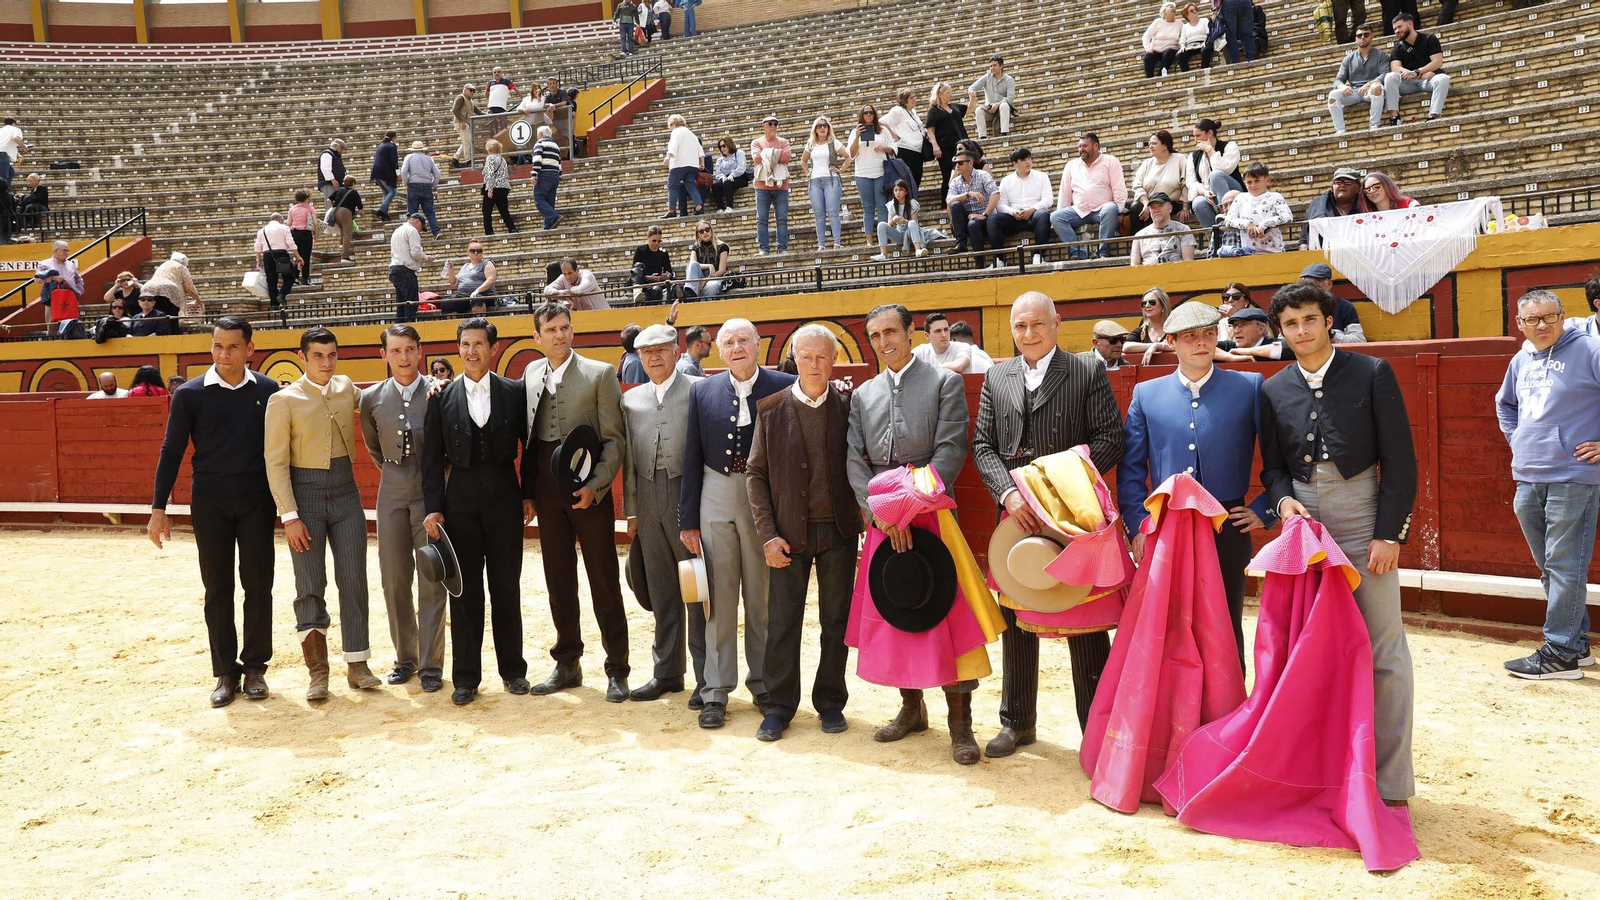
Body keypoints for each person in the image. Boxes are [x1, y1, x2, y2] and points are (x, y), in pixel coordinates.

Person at [1259, 281, 1418, 804]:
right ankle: (1322, 769)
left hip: (1360, 512)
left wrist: (1388, 533)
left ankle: (1391, 781)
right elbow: (1275, 469)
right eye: (1290, 324)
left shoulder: (1372, 372)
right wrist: (1283, 503)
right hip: (1305, 523)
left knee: (1383, 648)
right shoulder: (1273, 388)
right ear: (1280, 331)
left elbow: (1401, 461)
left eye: (1309, 319)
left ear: (1329, 321)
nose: (1301, 331)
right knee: (1308, 648)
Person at [972, 292, 1125, 756]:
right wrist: (1010, 492)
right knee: (1018, 612)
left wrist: (1060, 489)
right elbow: (983, 445)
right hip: (1017, 513)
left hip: (1070, 515)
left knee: (1083, 617)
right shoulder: (997, 376)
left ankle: (1093, 729)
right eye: (1020, 327)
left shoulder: (1085, 369)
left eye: (1037, 324)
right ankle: (1016, 722)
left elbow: (1110, 437)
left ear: (1057, 323)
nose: (1028, 334)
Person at [845, 303, 976, 760]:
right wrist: (882, 514)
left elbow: (950, 450)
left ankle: (961, 726)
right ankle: (912, 710)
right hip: (884, 518)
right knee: (898, 607)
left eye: (891, 332)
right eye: (875, 334)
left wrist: (908, 508)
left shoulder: (944, 381)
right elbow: (855, 460)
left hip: (932, 513)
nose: (884, 342)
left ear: (909, 332)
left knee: (948, 618)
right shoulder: (863, 395)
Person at [1120, 301, 1275, 670]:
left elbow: (1277, 457)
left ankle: (1229, 714)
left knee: (1226, 620)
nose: (1201, 342)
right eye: (1190, 336)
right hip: (1167, 527)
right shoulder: (1147, 394)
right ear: (1171, 341)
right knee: (1170, 623)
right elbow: (1130, 470)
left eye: (1208, 334)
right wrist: (1139, 526)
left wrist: (1263, 508)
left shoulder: (1249, 386)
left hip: (1226, 524)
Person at [148, 316, 280, 707]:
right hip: (210, 502)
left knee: (258, 585)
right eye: (218, 346)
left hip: (257, 500)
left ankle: (255, 667)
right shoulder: (190, 394)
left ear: (249, 350)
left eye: (233, 346)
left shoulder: (269, 391)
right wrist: (158, 507)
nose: (224, 354)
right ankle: (225, 672)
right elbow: (171, 450)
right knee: (217, 587)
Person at [679, 319, 798, 726]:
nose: (736, 347)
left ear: (759, 344)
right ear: (718, 351)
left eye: (743, 340)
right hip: (715, 491)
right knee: (719, 597)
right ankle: (715, 688)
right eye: (727, 342)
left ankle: (762, 681)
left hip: (764, 496)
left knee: (762, 597)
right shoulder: (702, 390)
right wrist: (688, 519)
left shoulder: (785, 383)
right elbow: (691, 455)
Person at [744, 324, 860, 741]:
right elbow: (755, 475)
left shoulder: (849, 406)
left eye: (822, 357)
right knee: (783, 620)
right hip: (789, 534)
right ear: (795, 358)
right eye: (807, 356)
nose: (814, 364)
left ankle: (830, 702)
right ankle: (777, 706)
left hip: (839, 531)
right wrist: (768, 534)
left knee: (836, 619)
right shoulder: (771, 408)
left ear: (833, 361)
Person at [519, 303, 632, 701]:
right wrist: (529, 493)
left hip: (588, 487)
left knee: (603, 577)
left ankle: (617, 668)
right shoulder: (531, 374)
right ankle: (567, 662)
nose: (560, 335)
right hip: (549, 491)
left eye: (565, 327)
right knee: (558, 578)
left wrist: (596, 487)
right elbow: (531, 442)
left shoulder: (599, 373)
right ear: (538, 336)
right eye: (551, 329)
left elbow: (614, 440)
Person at [263, 327, 379, 700]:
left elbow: (379, 400)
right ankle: (318, 671)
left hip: (346, 494)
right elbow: (276, 462)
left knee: (354, 579)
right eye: (318, 356)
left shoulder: (346, 387)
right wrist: (290, 515)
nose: (326, 362)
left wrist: (428, 384)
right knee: (309, 585)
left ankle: (358, 664)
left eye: (331, 355)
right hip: (306, 498)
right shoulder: (284, 399)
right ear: (302, 357)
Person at [421, 317, 533, 706]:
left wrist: (528, 494)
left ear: (493, 348)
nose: (472, 351)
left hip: (505, 496)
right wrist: (434, 508)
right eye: (465, 344)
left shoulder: (513, 392)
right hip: (461, 502)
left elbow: (529, 447)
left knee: (506, 587)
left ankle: (513, 671)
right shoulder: (441, 397)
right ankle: (466, 678)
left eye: (479, 344)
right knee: (464, 592)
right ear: (458, 349)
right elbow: (432, 460)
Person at [1496, 290, 1600, 680]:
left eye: (1549, 317)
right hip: (1528, 473)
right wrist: (1517, 438)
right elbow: (1504, 404)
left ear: (1563, 316)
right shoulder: (1521, 358)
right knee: (1550, 568)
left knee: (1564, 566)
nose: (1542, 325)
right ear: (1520, 324)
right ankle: (1575, 645)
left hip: (1573, 475)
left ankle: (1559, 654)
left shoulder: (1589, 350)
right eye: (1532, 319)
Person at [623, 322, 708, 705]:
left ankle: (707, 678)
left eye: (661, 349)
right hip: (647, 496)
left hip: (684, 496)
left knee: (696, 588)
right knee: (661, 588)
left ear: (676, 350)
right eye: (647, 352)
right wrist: (632, 510)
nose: (654, 357)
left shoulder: (698, 390)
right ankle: (668, 672)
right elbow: (627, 458)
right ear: (639, 357)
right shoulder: (632, 399)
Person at [358, 324, 446, 690]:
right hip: (391, 488)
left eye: (410, 349)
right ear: (385, 355)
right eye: (396, 350)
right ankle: (405, 658)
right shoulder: (371, 397)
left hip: (429, 490)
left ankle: (430, 665)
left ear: (420, 351)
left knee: (431, 577)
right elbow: (373, 447)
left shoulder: (439, 391)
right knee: (393, 579)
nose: (404, 357)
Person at [1051, 132, 1127, 259]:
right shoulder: (1071, 165)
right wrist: (1062, 209)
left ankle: (1103, 252)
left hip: (1102, 209)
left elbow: (1119, 188)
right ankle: (1077, 253)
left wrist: (1120, 212)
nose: (1081, 150)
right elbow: (1065, 193)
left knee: (1111, 208)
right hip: (1079, 210)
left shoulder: (1111, 161)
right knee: (1056, 217)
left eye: (1085, 146)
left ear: (1096, 146)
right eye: (1079, 147)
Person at [989, 147, 1054, 264]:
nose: (1028, 162)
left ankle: (1038, 255)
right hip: (1014, 218)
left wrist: (1032, 209)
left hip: (1034, 215)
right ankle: (999, 259)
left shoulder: (1042, 176)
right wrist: (1012, 212)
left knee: (1044, 214)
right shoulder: (1006, 180)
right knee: (993, 219)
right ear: (1015, 163)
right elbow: (1000, 205)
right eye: (1024, 159)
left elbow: (1048, 200)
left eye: (1029, 158)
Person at [1383, 14, 1449, 127]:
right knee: (1390, 77)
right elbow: (1395, 68)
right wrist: (1417, 75)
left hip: (1427, 81)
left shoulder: (1430, 39)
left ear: (1410, 24)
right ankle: (1395, 116)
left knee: (1443, 79)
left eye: (1399, 27)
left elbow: (1437, 62)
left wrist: (1417, 71)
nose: (1397, 31)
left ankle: (1433, 115)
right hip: (1409, 83)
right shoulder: (1397, 48)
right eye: (1395, 29)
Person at [1218, 162, 1292, 256]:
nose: (1253, 185)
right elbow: (1228, 220)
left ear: (1268, 180)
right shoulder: (1240, 198)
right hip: (1248, 253)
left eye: (1257, 181)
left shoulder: (1276, 197)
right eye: (1249, 182)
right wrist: (1247, 224)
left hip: (1274, 252)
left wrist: (1264, 225)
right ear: (1244, 183)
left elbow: (1287, 216)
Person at [1327, 26, 1389, 134]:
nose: (1362, 38)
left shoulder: (1381, 55)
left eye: (1366, 35)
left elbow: (1384, 75)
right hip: (1354, 92)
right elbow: (1337, 80)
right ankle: (1340, 130)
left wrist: (1369, 85)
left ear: (1372, 37)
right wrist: (1343, 87)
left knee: (1377, 87)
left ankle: (1374, 126)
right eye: (1359, 35)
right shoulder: (1348, 59)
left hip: (1372, 91)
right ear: (1356, 39)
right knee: (1333, 95)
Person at [801, 116, 848, 251]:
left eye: (825, 125)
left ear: (829, 128)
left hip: (831, 179)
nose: (823, 128)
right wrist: (807, 173)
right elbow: (803, 160)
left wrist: (841, 169)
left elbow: (849, 155)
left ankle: (837, 242)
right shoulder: (811, 143)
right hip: (815, 180)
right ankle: (821, 244)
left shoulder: (833, 142)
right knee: (819, 214)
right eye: (820, 125)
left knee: (833, 212)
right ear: (815, 129)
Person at [1126, 130, 1192, 225]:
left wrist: (1185, 207)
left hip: (1171, 203)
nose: (1150, 146)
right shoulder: (1147, 163)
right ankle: (1139, 239)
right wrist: (1146, 204)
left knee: (1157, 208)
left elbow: (1186, 184)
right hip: (1149, 201)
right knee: (1136, 207)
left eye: (1154, 144)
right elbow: (1137, 186)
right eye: (1149, 144)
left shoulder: (1179, 159)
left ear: (1164, 146)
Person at [1186, 118, 1242, 229]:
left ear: (1210, 133)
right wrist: (1205, 192)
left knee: (1215, 175)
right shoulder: (1193, 156)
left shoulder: (1230, 146)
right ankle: (1215, 239)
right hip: (1209, 195)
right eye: (1194, 136)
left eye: (1198, 136)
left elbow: (1225, 169)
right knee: (1198, 202)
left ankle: (1226, 214)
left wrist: (1210, 149)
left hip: (1233, 191)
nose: (1195, 139)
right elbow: (1191, 182)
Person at [945, 153, 1000, 264]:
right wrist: (968, 194)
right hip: (968, 219)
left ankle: (980, 262)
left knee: (973, 225)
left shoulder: (982, 175)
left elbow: (996, 194)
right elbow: (949, 200)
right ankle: (961, 243)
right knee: (955, 205)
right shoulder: (955, 181)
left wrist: (984, 214)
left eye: (960, 163)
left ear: (970, 163)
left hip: (987, 218)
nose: (957, 166)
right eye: (955, 163)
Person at [751, 115, 793, 255]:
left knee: (782, 218)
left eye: (776, 123)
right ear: (763, 126)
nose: (773, 126)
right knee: (761, 219)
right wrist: (776, 154)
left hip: (781, 186)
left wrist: (766, 155)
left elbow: (786, 157)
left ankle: (782, 248)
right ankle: (764, 248)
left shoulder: (784, 141)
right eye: (770, 123)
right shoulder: (756, 142)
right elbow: (756, 158)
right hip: (762, 186)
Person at [1302, 167, 1373, 243]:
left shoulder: (1366, 204)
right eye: (1338, 182)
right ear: (1333, 187)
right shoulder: (1319, 204)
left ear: (1358, 188)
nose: (1342, 185)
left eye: (1347, 182)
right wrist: (1303, 243)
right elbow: (1306, 229)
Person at [1300, 262, 1367, 342]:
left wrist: (1331, 334)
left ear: (1329, 283)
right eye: (1306, 282)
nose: (1310, 286)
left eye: (1317, 281)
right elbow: (1284, 339)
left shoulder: (1344, 306)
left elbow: (1359, 340)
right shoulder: (1296, 306)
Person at [923, 83, 968, 203]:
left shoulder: (954, 106)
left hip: (961, 144)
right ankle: (946, 202)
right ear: (940, 95)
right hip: (945, 146)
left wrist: (973, 98)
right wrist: (935, 146)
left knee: (962, 172)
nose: (950, 95)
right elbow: (930, 130)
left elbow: (969, 110)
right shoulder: (934, 110)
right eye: (947, 93)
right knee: (948, 173)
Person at [1128, 191, 1196, 265]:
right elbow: (1134, 267)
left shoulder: (1183, 230)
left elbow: (1188, 263)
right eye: (1153, 207)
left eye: (1160, 206)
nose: (1156, 210)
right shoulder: (1139, 236)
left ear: (1170, 208)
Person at [253, 212, 302, 311]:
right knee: (289, 277)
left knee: (271, 280)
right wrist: (298, 257)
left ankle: (274, 305)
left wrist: (258, 260)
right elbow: (290, 243)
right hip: (282, 254)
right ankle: (282, 294)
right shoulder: (284, 228)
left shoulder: (262, 230)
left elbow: (257, 247)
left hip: (267, 255)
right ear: (280, 219)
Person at [390, 212, 433, 323]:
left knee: (401, 304)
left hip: (395, 269)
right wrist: (426, 258)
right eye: (421, 228)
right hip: (406, 271)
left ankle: (399, 328)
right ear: (417, 221)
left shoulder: (397, 230)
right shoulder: (412, 231)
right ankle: (408, 328)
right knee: (411, 304)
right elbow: (416, 253)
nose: (420, 231)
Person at [34, 239, 84, 332]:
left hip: (70, 298)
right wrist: (52, 278)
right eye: (64, 250)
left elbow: (79, 280)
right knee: (53, 325)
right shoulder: (45, 263)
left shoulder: (71, 265)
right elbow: (37, 279)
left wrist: (78, 292)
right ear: (56, 251)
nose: (67, 253)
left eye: (67, 250)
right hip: (53, 299)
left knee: (71, 324)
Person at [881, 88, 927, 189]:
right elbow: (881, 122)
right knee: (907, 182)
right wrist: (894, 136)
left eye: (914, 97)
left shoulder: (913, 112)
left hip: (917, 152)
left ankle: (913, 203)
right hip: (905, 150)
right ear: (904, 100)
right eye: (911, 98)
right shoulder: (898, 111)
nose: (914, 99)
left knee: (916, 180)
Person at [873, 179, 929, 260]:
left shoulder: (912, 203)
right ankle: (883, 254)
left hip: (911, 232)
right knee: (881, 225)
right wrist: (894, 220)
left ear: (906, 192)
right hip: (899, 234)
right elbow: (889, 224)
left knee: (912, 223)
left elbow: (915, 223)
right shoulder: (892, 204)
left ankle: (918, 250)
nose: (898, 192)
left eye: (900, 190)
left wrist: (904, 221)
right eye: (895, 190)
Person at [663, 114, 705, 219]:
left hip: (678, 164)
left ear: (673, 123)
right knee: (691, 185)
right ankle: (699, 206)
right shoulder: (692, 134)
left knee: (672, 185)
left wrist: (668, 157)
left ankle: (671, 210)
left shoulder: (676, 132)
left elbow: (673, 145)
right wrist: (702, 163)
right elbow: (700, 150)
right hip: (692, 165)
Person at [967, 56, 1017, 139]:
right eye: (990, 66)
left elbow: (1010, 98)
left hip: (1003, 109)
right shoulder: (987, 77)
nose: (992, 68)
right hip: (989, 109)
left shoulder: (1009, 80)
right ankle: (982, 137)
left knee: (1004, 105)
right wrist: (972, 92)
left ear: (1001, 66)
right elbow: (972, 87)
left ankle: (1004, 133)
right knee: (978, 110)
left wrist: (997, 104)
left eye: (994, 65)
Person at [1215, 305, 1288, 360]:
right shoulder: (1229, 348)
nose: (1236, 331)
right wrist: (1230, 357)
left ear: (1260, 329)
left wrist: (1246, 351)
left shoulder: (1272, 345)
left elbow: (1291, 348)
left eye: (1243, 325)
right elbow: (1206, 347)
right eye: (1234, 326)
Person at [402, 141, 442, 238]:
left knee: (412, 213)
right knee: (430, 212)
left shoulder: (409, 157)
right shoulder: (429, 158)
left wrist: (405, 182)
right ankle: (436, 232)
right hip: (427, 186)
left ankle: (413, 235)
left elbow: (403, 171)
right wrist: (433, 185)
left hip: (413, 185)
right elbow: (437, 174)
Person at [445, 240, 498, 313]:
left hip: (482, 296)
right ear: (468, 252)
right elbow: (453, 283)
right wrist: (451, 269)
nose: (476, 253)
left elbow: (491, 280)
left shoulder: (487, 263)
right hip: (464, 297)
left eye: (478, 251)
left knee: (476, 299)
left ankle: (478, 322)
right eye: (473, 251)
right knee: (447, 302)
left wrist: (477, 291)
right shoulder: (465, 266)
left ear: (482, 252)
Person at [1123, 287, 1173, 360]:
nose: (1147, 306)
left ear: (1163, 306)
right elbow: (1126, 347)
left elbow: (1174, 345)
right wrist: (1154, 345)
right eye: (1144, 303)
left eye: (1152, 302)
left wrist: (1157, 346)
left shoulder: (1173, 329)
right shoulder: (1141, 331)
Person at [684, 220, 730, 299]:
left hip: (716, 277)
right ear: (698, 234)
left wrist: (706, 280)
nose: (705, 232)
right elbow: (693, 264)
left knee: (711, 286)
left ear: (711, 231)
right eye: (701, 231)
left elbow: (722, 270)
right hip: (699, 276)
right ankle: (690, 295)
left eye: (707, 230)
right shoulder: (696, 246)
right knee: (692, 264)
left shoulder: (722, 246)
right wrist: (709, 266)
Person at [630, 225, 674, 305]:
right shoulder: (640, 250)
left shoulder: (663, 252)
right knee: (639, 265)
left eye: (659, 241)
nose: (656, 243)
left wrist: (666, 275)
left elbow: (669, 270)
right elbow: (635, 271)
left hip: (656, 283)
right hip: (642, 282)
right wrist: (649, 277)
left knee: (657, 289)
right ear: (648, 237)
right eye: (654, 241)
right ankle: (637, 291)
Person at [529, 124, 563, 230]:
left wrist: (534, 174)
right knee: (550, 200)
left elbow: (538, 159)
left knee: (539, 199)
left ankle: (554, 217)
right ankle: (548, 225)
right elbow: (559, 161)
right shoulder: (555, 146)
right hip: (555, 175)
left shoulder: (540, 143)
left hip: (544, 173)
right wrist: (559, 176)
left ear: (540, 134)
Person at [480, 139, 516, 235]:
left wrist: (490, 189)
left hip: (493, 187)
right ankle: (512, 228)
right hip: (503, 187)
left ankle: (489, 231)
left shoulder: (490, 158)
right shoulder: (502, 159)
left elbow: (490, 174)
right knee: (504, 210)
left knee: (486, 211)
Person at [704, 136, 749, 214]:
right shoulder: (720, 160)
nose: (722, 148)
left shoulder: (739, 153)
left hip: (739, 177)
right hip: (726, 179)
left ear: (729, 144)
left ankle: (729, 206)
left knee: (728, 182)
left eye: (724, 146)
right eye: (720, 147)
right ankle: (720, 207)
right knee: (715, 186)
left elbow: (741, 167)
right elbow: (718, 173)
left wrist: (732, 175)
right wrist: (722, 177)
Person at [544, 256, 608, 310]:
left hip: (603, 314)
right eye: (564, 274)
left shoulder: (587, 274)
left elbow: (580, 290)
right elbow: (547, 290)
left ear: (577, 270)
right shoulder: (562, 278)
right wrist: (565, 296)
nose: (568, 277)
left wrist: (565, 293)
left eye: (570, 273)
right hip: (584, 318)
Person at [326, 175, 362, 262]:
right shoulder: (354, 192)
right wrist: (362, 215)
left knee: (342, 229)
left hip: (335, 212)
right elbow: (361, 208)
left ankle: (342, 245)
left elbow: (329, 200)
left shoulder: (339, 190)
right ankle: (345, 257)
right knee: (347, 233)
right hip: (346, 213)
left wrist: (335, 206)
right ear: (353, 183)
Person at [1142, 4, 1184, 78]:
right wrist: (1148, 49)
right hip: (1156, 50)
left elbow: (1183, 36)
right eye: (1171, 7)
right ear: (1164, 11)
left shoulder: (1179, 23)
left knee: (1168, 53)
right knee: (1147, 57)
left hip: (1171, 49)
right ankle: (1149, 79)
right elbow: (1146, 36)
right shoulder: (1158, 22)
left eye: (1174, 8)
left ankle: (1161, 74)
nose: (1173, 9)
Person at [288, 189, 318, 286]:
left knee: (297, 256)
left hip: (294, 233)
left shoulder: (292, 209)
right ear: (306, 198)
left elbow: (288, 223)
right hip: (306, 233)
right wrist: (316, 234)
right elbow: (315, 223)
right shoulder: (310, 209)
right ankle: (305, 279)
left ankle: (295, 278)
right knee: (306, 257)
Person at [370, 130, 400, 222]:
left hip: (376, 172)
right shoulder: (392, 146)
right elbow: (394, 161)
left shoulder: (381, 145)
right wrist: (398, 173)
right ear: (394, 137)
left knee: (386, 192)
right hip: (385, 172)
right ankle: (382, 210)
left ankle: (384, 215)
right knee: (393, 192)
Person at [1178, 3, 1215, 70]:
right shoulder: (1185, 26)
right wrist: (1182, 46)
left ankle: (1204, 69)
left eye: (1196, 9)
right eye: (1192, 11)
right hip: (1191, 46)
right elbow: (1182, 39)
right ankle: (1186, 74)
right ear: (1187, 15)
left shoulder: (1204, 20)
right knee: (1181, 54)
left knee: (1206, 50)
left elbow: (1209, 33)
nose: (1195, 11)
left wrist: (1205, 42)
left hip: (1203, 43)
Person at [451, 84, 480, 166]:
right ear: (465, 90)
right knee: (467, 142)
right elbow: (455, 110)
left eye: (474, 91)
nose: (472, 92)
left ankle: (455, 159)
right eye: (471, 90)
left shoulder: (470, 101)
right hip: (462, 123)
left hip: (466, 123)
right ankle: (468, 161)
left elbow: (478, 111)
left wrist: (489, 115)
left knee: (467, 141)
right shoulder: (461, 98)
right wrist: (462, 121)